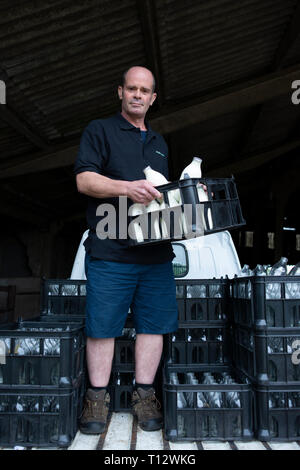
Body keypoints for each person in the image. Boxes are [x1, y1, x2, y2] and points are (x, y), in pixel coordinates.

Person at [74, 66, 178, 435]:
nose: (137, 95)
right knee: (102, 326)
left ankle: (145, 395)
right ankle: (97, 399)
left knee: (154, 325)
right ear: (120, 92)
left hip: (155, 254)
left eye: (144, 90)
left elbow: (164, 197)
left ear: (152, 98)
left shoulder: (160, 142)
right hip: (110, 248)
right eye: (131, 88)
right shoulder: (99, 130)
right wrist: (126, 189)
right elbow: (84, 180)